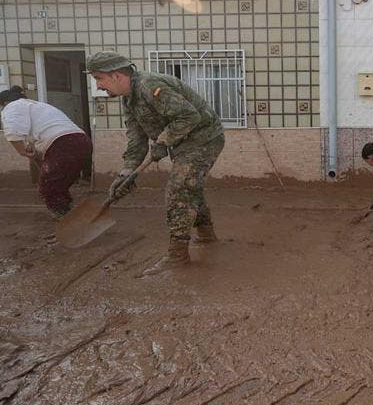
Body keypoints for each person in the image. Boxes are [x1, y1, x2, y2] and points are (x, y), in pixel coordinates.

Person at [85, 51, 225, 276]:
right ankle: (207, 234)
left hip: (204, 138)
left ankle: (177, 255)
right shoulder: (129, 100)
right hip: (183, 142)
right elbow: (136, 139)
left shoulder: (149, 87)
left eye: (99, 79)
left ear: (116, 75)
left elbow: (189, 116)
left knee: (179, 189)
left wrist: (163, 141)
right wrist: (127, 172)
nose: (99, 86)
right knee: (190, 186)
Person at [0, 85, 92, 219]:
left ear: (5, 103)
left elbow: (13, 131)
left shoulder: (13, 106)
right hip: (82, 142)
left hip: (63, 144)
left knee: (48, 187)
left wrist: (21, 151)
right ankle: (70, 215)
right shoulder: (38, 106)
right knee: (58, 187)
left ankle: (67, 221)